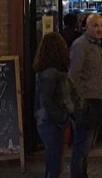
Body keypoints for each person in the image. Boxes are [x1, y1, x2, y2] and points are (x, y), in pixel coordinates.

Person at [68, 13, 102, 178]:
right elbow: (73, 76)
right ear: (86, 27)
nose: (99, 29)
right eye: (95, 25)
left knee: (86, 145)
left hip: (95, 100)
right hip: (86, 103)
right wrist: (78, 102)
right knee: (81, 145)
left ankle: (82, 174)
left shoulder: (96, 45)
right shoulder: (81, 45)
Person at [34, 32, 75, 178]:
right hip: (50, 122)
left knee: (52, 161)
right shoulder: (51, 73)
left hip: (46, 121)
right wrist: (62, 118)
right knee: (55, 163)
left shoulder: (46, 72)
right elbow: (47, 100)